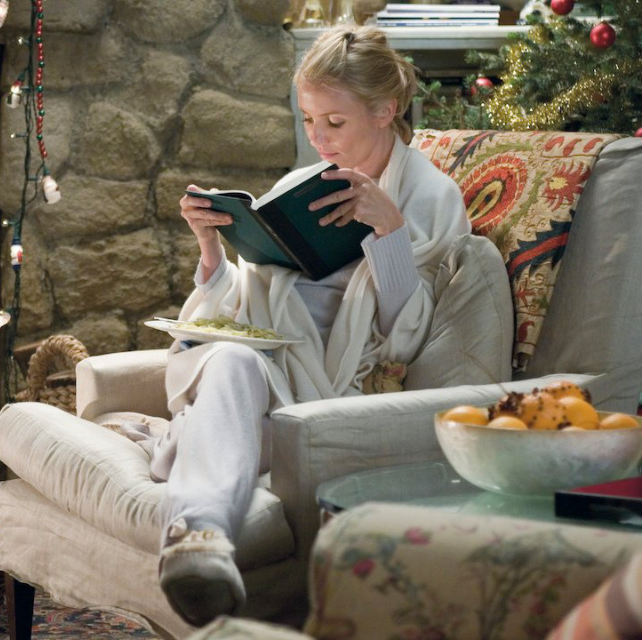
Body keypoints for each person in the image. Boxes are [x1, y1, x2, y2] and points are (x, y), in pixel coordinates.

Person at [143, 25, 472, 626]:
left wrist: (390, 231)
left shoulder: (431, 197)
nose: (317, 138)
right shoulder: (299, 186)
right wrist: (211, 249)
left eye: (334, 122)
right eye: (308, 120)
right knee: (234, 359)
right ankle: (199, 544)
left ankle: (198, 489)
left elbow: (409, 340)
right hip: (265, 371)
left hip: (330, 393)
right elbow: (242, 297)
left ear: (385, 109)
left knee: (232, 387)